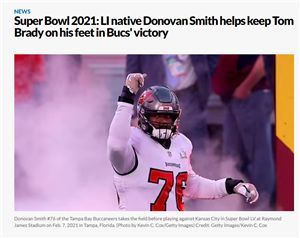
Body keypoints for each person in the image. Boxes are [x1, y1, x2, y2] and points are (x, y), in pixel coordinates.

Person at [107, 73, 259, 211]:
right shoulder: (133, 142)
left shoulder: (181, 144)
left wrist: (233, 186)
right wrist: (127, 96)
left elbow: (191, 185)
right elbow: (116, 144)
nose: (164, 122)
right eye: (157, 117)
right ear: (143, 116)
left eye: (168, 117)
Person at [212, 55, 275, 209]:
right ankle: (236, 204)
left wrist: (246, 86)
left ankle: (261, 205)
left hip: (252, 94)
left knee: (259, 156)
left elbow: (265, 59)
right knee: (232, 157)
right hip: (234, 97)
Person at [126, 55, 219, 152]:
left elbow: (212, 58)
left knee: (198, 148)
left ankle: (202, 166)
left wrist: (205, 78)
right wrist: (136, 112)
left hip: (191, 96)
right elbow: (133, 75)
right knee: (158, 152)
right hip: (155, 102)